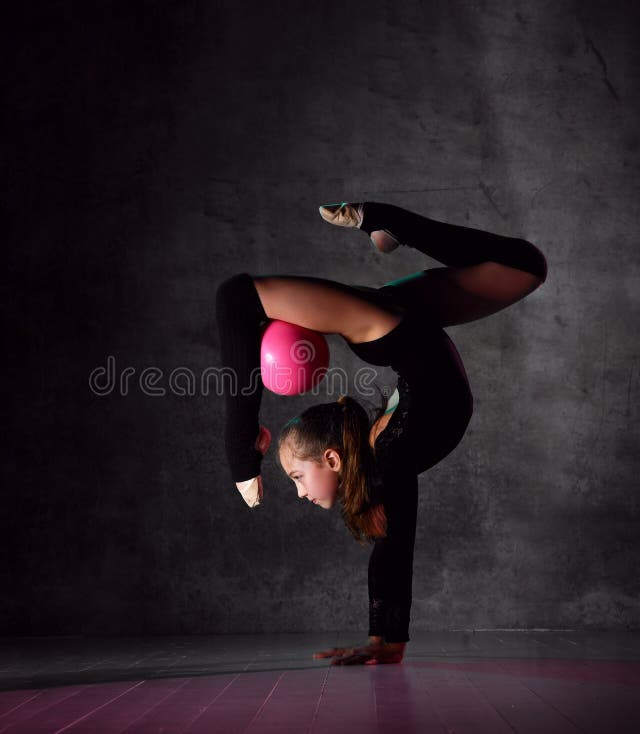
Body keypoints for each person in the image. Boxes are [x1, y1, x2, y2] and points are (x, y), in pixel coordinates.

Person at [214, 200, 548, 665]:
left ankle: (237, 448)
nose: (298, 493)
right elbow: (391, 531)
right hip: (405, 324)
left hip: (391, 327)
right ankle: (391, 224)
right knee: (528, 265)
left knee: (235, 297)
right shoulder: (385, 448)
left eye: (296, 476)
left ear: (332, 459)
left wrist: (385, 641)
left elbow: (396, 539)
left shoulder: (389, 450)